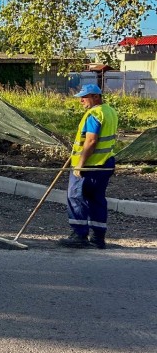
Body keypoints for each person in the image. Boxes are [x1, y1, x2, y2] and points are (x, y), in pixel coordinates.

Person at [58, 84, 118, 249]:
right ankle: (98, 237)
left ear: (96, 97)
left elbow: (91, 141)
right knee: (96, 199)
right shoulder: (110, 111)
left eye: (84, 97)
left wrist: (80, 165)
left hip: (89, 166)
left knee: (76, 197)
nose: (81, 100)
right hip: (105, 163)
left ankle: (79, 235)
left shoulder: (94, 114)